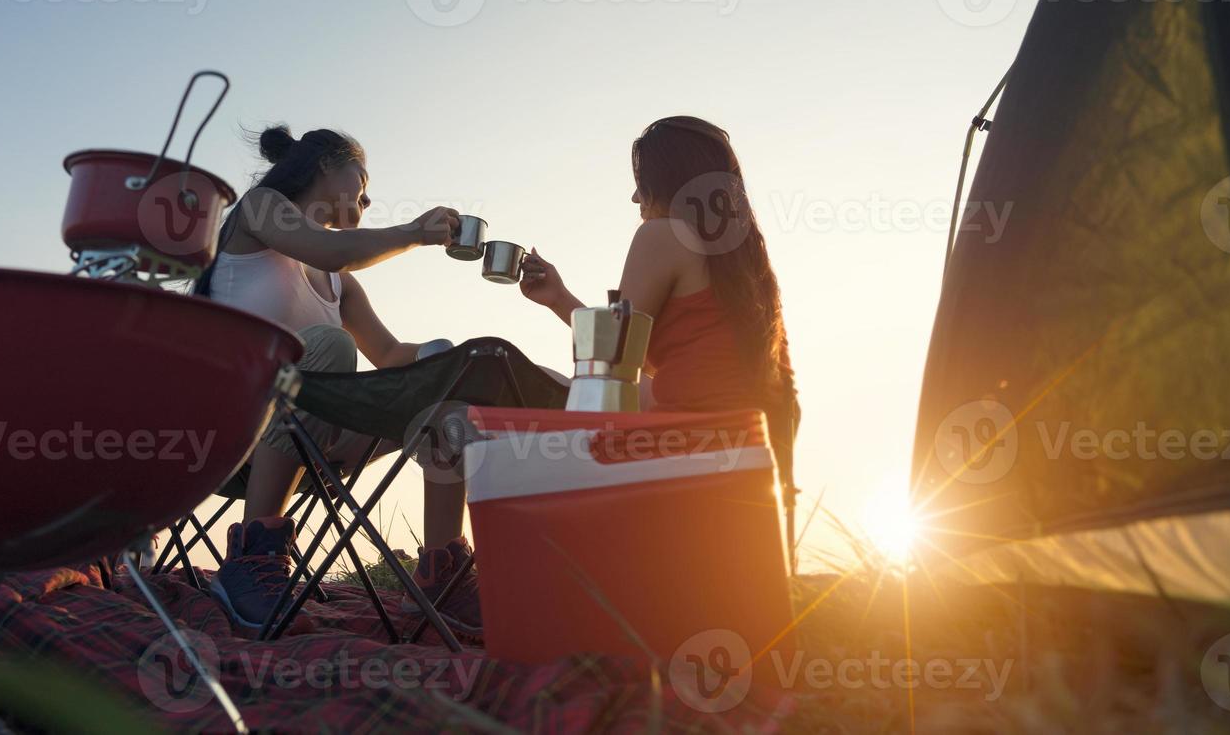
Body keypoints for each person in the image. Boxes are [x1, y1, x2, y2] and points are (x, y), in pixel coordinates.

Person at [195, 124, 483, 632]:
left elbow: (392, 354)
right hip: (226, 438)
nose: (368, 200)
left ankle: (442, 575)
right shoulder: (259, 207)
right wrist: (414, 233)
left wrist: (451, 359)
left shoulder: (338, 284)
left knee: (448, 395)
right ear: (327, 164)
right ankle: (252, 556)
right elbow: (332, 249)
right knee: (328, 345)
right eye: (362, 182)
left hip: (310, 444)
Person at [519, 116, 799, 424]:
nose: (636, 197)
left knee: (504, 384)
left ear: (669, 182)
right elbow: (647, 372)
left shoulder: (664, 233)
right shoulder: (748, 268)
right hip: (747, 446)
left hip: (687, 443)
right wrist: (558, 297)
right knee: (544, 384)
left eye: (643, 183)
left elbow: (613, 358)